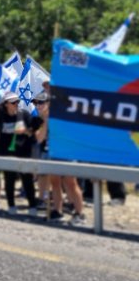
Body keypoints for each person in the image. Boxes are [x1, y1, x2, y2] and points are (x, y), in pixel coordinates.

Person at [0, 92, 39, 216]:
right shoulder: (1, 117)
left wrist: (25, 131)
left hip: (23, 153)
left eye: (17, 102)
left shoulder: (23, 114)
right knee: (9, 180)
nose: (16, 104)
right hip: (6, 153)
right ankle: (11, 205)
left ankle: (32, 206)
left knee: (27, 180)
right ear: (6, 104)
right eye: (13, 102)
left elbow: (33, 130)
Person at [32, 92, 86, 226]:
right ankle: (57, 211)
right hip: (52, 152)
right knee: (54, 182)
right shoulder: (41, 118)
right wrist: (45, 121)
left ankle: (80, 213)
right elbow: (39, 138)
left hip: (67, 152)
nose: (38, 105)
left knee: (71, 183)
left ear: (49, 103)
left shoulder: (61, 114)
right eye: (36, 103)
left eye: (41, 103)